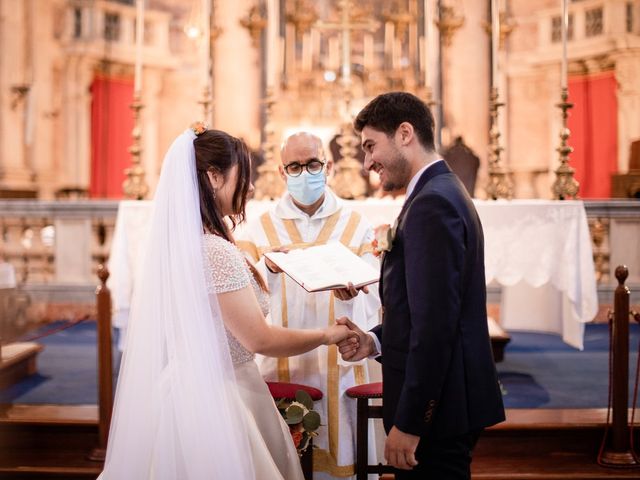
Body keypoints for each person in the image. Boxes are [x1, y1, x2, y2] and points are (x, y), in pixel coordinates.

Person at [99, 126, 358, 480]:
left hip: (195, 389)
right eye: (244, 176)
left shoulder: (198, 242)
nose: (251, 188)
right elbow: (260, 340)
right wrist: (328, 335)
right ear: (215, 176)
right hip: (221, 397)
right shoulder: (214, 250)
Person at [337, 92, 505, 479]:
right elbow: (422, 310)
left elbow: (435, 328)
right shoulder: (439, 191)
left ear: (405, 133)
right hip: (446, 402)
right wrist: (375, 340)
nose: (367, 162)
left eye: (370, 146)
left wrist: (412, 422)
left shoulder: (433, 204)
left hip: (438, 412)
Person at [237, 132, 381, 479]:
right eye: (296, 166)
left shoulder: (355, 225)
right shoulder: (260, 230)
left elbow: (378, 291)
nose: (305, 173)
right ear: (282, 172)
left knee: (339, 444)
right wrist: (268, 270)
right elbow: (241, 295)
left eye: (313, 164)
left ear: (327, 166)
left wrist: (357, 294)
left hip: (339, 362)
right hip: (280, 362)